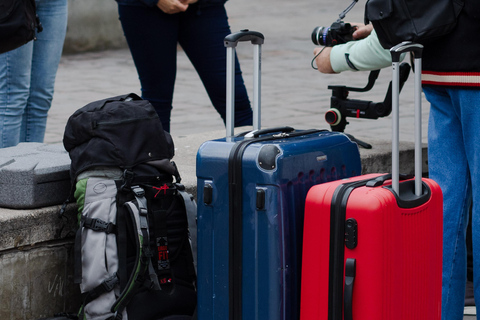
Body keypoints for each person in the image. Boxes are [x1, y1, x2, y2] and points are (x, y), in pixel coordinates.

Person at [314, 3, 480, 319]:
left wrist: (334, 57)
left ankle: (439, 312)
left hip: (438, 74)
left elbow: (412, 20)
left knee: (443, 208)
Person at [115, 0, 253, 132]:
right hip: (144, 10)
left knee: (233, 96)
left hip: (205, 8)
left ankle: (250, 153)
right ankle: (156, 155)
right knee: (157, 98)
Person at [0, 0, 68, 148]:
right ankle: (6, 169)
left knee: (40, 97)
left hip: (53, 3)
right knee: (12, 98)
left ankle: (28, 168)